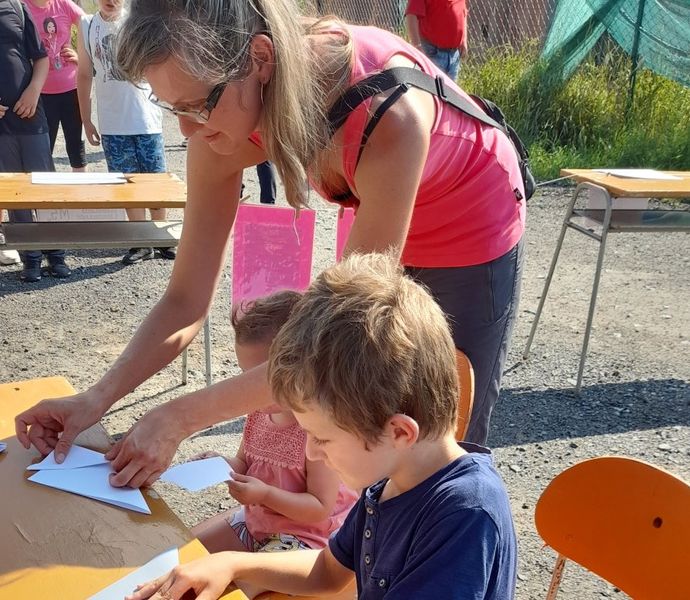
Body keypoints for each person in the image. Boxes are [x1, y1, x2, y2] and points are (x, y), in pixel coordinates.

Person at [16, 0, 525, 484]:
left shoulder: (386, 113)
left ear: (259, 59)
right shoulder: (224, 111)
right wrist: (96, 399)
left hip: (470, 227)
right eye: (172, 109)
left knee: (436, 439)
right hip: (386, 204)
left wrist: (178, 417)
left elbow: (331, 342)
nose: (187, 131)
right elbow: (185, 299)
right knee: (360, 429)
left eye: (196, 106)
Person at [125, 253, 518, 600]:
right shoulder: (390, 481)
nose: (311, 451)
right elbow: (328, 570)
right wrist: (232, 563)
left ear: (399, 432)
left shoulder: (464, 517)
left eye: (322, 438)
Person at [191, 290, 357, 559]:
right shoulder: (258, 413)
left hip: (307, 537)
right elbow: (244, 463)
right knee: (186, 553)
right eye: (245, 377)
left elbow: (319, 507)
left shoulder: (316, 429)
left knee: (243, 577)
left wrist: (265, 495)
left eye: (260, 378)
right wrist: (220, 466)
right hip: (258, 523)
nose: (251, 389)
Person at [75, 0, 175, 265]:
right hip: (112, 123)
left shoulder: (138, 17)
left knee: (155, 180)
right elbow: (84, 74)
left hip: (146, 118)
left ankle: (160, 236)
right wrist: (86, 119)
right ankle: (140, 241)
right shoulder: (87, 25)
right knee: (125, 183)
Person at [0, 0, 71, 282]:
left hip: (31, 114)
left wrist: (33, 91)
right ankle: (30, 257)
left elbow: (40, 58)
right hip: (2, 126)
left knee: (44, 185)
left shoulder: (17, 7)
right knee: (14, 191)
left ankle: (56, 254)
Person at [25, 0, 86, 173]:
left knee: (76, 149)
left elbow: (90, 26)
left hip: (72, 88)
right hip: (40, 93)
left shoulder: (64, 4)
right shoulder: (22, 7)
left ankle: (81, 189)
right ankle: (44, 191)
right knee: (42, 151)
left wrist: (81, 57)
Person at [405, 0, 468, 81]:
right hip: (433, 52)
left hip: (454, 55)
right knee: (430, 87)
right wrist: (417, 47)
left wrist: (464, 39)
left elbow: (463, 11)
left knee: (449, 89)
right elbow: (411, 15)